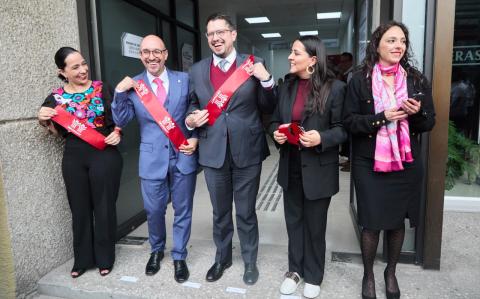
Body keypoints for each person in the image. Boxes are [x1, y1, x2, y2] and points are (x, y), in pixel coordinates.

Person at [343, 21, 435, 299]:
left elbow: (429, 122)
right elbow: (349, 122)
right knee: (371, 222)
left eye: (402, 42)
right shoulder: (359, 79)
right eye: (391, 40)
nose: (398, 46)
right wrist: (383, 117)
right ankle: (368, 274)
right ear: (377, 45)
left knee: (396, 222)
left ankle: (390, 272)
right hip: (369, 162)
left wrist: (416, 113)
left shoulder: (415, 79)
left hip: (406, 163)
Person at [185, 13, 276, 285]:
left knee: (246, 212)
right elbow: (191, 104)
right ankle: (222, 257)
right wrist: (191, 118)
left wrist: (268, 80)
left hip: (247, 150)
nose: (215, 38)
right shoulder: (197, 70)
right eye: (210, 34)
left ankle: (249, 262)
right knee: (220, 212)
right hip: (213, 151)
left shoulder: (253, 64)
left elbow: (268, 107)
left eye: (221, 32)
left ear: (233, 34)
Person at [112, 35, 198, 283]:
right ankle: (157, 250)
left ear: (165, 54)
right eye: (146, 52)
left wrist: (195, 136)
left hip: (182, 154)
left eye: (156, 52)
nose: (152, 57)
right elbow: (121, 120)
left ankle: (179, 255)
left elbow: (194, 110)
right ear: (140, 55)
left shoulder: (184, 79)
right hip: (151, 159)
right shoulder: (134, 85)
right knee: (154, 210)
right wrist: (119, 92)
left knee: (183, 210)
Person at [269, 35, 347, 299]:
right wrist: (275, 134)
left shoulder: (335, 88)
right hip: (290, 164)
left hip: (318, 168)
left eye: (295, 53)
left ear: (313, 60)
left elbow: (342, 129)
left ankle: (314, 274)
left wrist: (321, 138)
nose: (290, 57)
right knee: (294, 222)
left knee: (315, 225)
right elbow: (273, 120)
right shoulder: (287, 86)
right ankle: (295, 270)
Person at [37, 47, 123, 278]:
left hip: (104, 152)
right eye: (75, 67)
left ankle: (105, 258)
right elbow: (57, 133)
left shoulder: (102, 88)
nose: (83, 69)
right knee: (80, 209)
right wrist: (43, 121)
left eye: (83, 64)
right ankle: (82, 259)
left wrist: (118, 132)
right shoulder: (55, 98)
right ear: (62, 72)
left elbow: (119, 119)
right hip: (74, 155)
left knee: (104, 208)